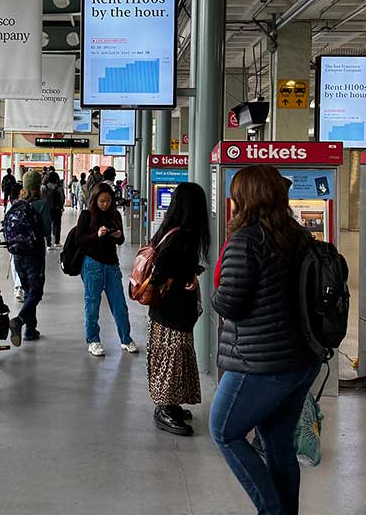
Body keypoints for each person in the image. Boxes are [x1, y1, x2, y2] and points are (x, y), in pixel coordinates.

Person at [209, 165, 320, 515]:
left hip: (260, 361)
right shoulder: (298, 235)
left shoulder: (246, 240)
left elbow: (230, 301)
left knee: (224, 430)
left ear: (246, 198)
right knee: (277, 444)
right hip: (301, 359)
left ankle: (271, 510)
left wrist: (212, 296)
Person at [146, 183, 210, 437]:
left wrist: (191, 271)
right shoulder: (183, 235)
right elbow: (162, 267)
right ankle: (164, 407)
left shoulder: (170, 230)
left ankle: (170, 403)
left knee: (171, 356)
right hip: (172, 311)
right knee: (173, 357)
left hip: (164, 311)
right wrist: (186, 274)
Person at [75, 184, 137, 356]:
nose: (105, 204)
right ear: (95, 200)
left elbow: (121, 240)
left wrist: (117, 236)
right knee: (92, 304)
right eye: (102, 201)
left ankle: (126, 339)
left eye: (109, 201)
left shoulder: (115, 215)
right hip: (92, 265)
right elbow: (80, 240)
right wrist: (97, 235)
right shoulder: (86, 216)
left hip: (112, 265)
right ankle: (93, 340)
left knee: (120, 305)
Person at [7, 171, 52, 343]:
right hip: (35, 253)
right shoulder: (41, 204)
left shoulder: (17, 203)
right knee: (36, 292)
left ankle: (30, 330)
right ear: (38, 185)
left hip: (17, 253)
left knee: (28, 291)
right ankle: (19, 321)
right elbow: (47, 231)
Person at [41, 171, 66, 249]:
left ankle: (48, 244)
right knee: (57, 225)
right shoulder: (59, 188)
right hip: (57, 209)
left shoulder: (44, 187)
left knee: (48, 225)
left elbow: (42, 198)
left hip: (47, 208)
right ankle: (56, 242)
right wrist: (61, 206)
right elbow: (62, 198)